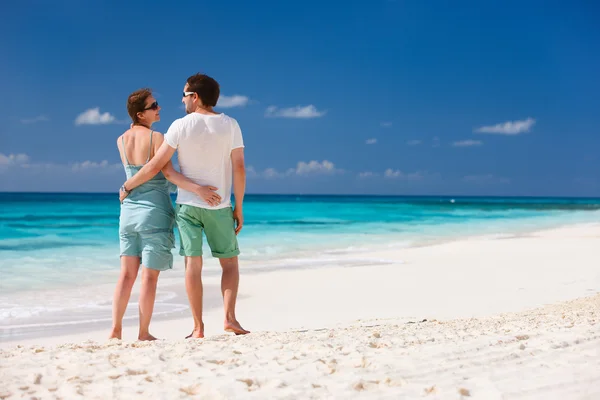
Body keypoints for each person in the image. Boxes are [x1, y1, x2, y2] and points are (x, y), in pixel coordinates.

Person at [119, 74, 249, 338]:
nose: (182, 99)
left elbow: (158, 167)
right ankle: (229, 319)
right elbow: (239, 168)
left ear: (195, 97)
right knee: (230, 263)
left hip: (187, 206)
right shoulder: (230, 124)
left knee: (193, 264)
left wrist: (128, 185)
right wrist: (239, 206)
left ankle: (198, 327)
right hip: (219, 205)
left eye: (185, 94)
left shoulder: (179, 126)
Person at [110, 88, 222, 341]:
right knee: (149, 276)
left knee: (126, 275)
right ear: (140, 114)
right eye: (154, 105)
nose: (159, 108)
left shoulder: (121, 140)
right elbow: (164, 174)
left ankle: (115, 331)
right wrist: (198, 189)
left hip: (127, 213)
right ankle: (143, 332)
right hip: (154, 213)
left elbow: (136, 176)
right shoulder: (157, 138)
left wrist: (127, 187)